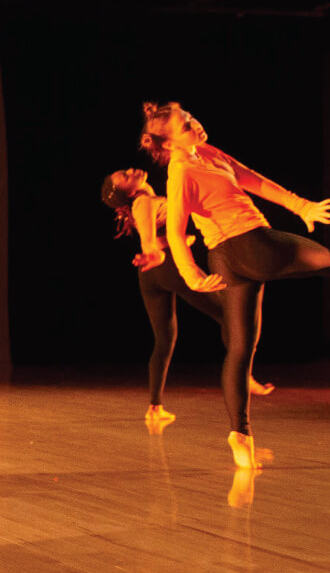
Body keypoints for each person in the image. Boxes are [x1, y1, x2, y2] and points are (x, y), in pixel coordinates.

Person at [138, 102, 330, 468]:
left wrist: (300, 205)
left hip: (230, 260)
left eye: (191, 117)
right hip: (247, 246)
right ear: (168, 144)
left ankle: (240, 435)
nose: (195, 123)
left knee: (241, 348)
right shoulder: (180, 173)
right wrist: (190, 273)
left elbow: (250, 177)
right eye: (185, 125)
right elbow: (176, 232)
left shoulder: (206, 152)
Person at [100, 168, 274, 431]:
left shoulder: (145, 201)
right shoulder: (143, 202)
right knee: (230, 313)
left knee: (164, 339)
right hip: (169, 266)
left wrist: (169, 244)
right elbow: (149, 240)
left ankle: (155, 407)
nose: (130, 170)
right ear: (130, 191)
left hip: (150, 276)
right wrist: (154, 250)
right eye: (125, 176)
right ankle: (244, 373)